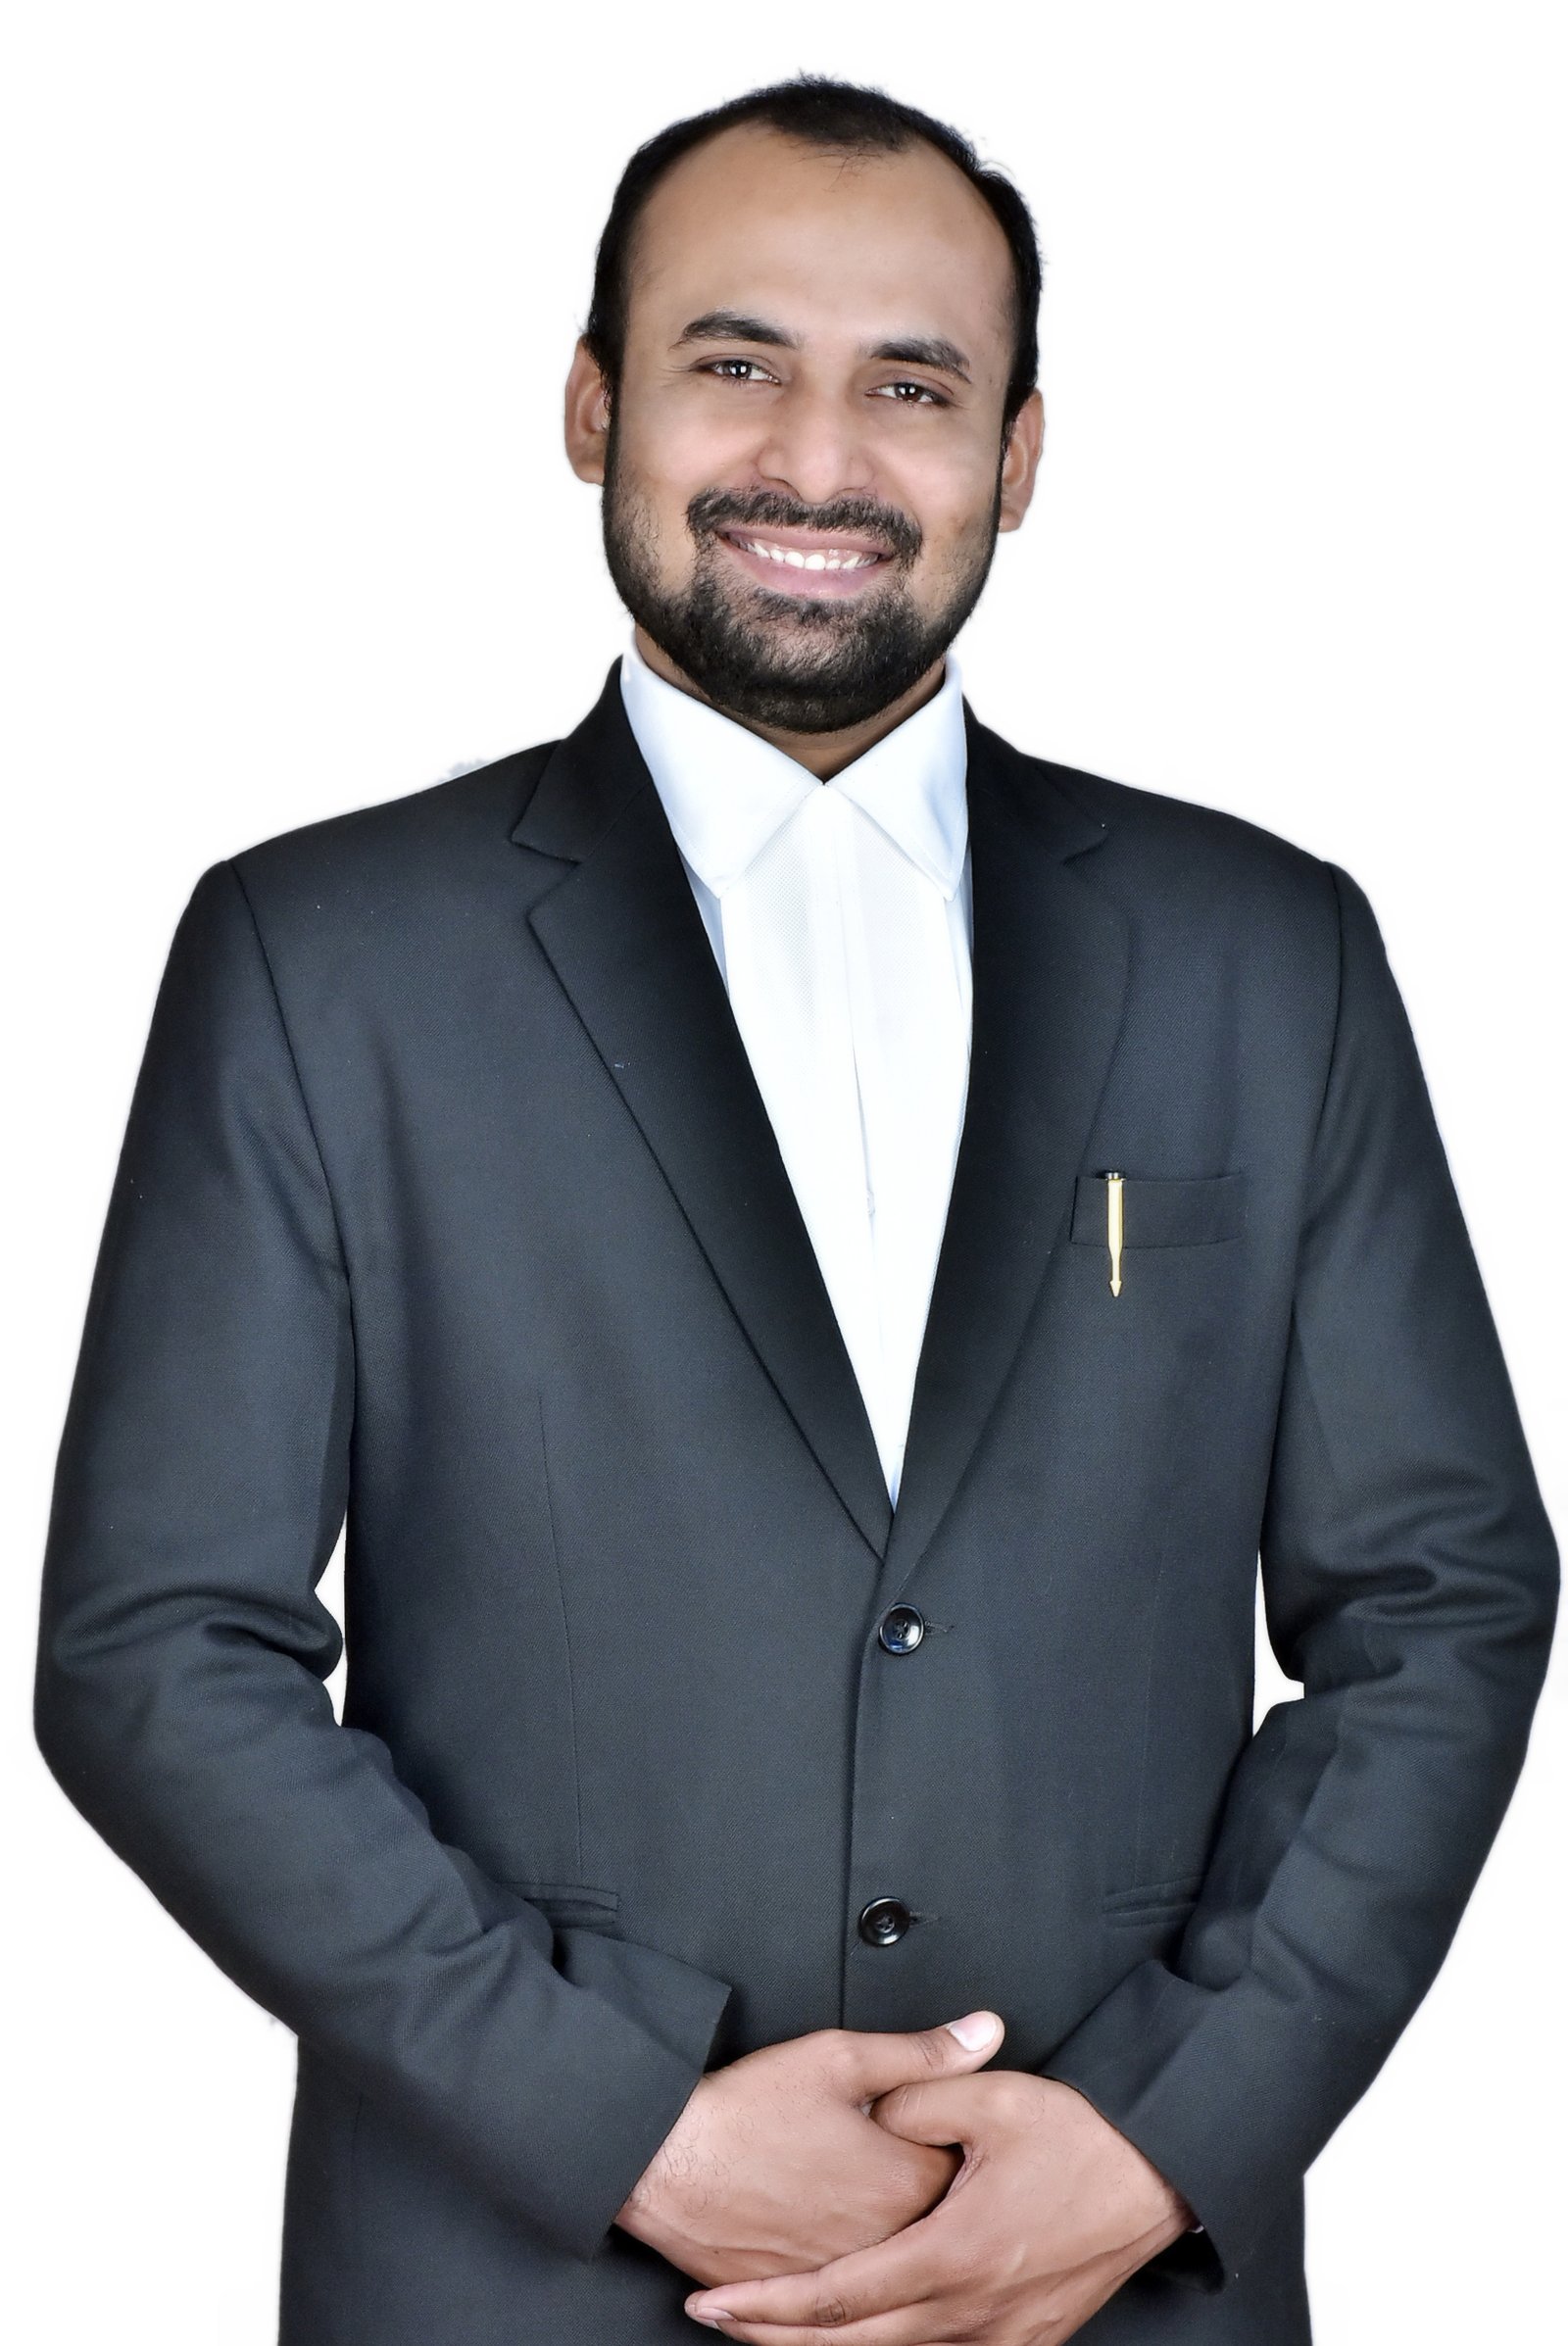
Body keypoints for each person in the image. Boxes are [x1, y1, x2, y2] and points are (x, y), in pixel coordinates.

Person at [33, 73, 1557, 2346]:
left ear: (1017, 454)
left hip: (1114, 2292)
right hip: (506, 2281)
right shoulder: (315, 956)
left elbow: (1435, 1601)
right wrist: (616, 2122)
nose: (815, 461)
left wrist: (1160, 2132)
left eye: (910, 386)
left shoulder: (1267, 955)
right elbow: (156, 1648)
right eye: (733, 361)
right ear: (590, 404)